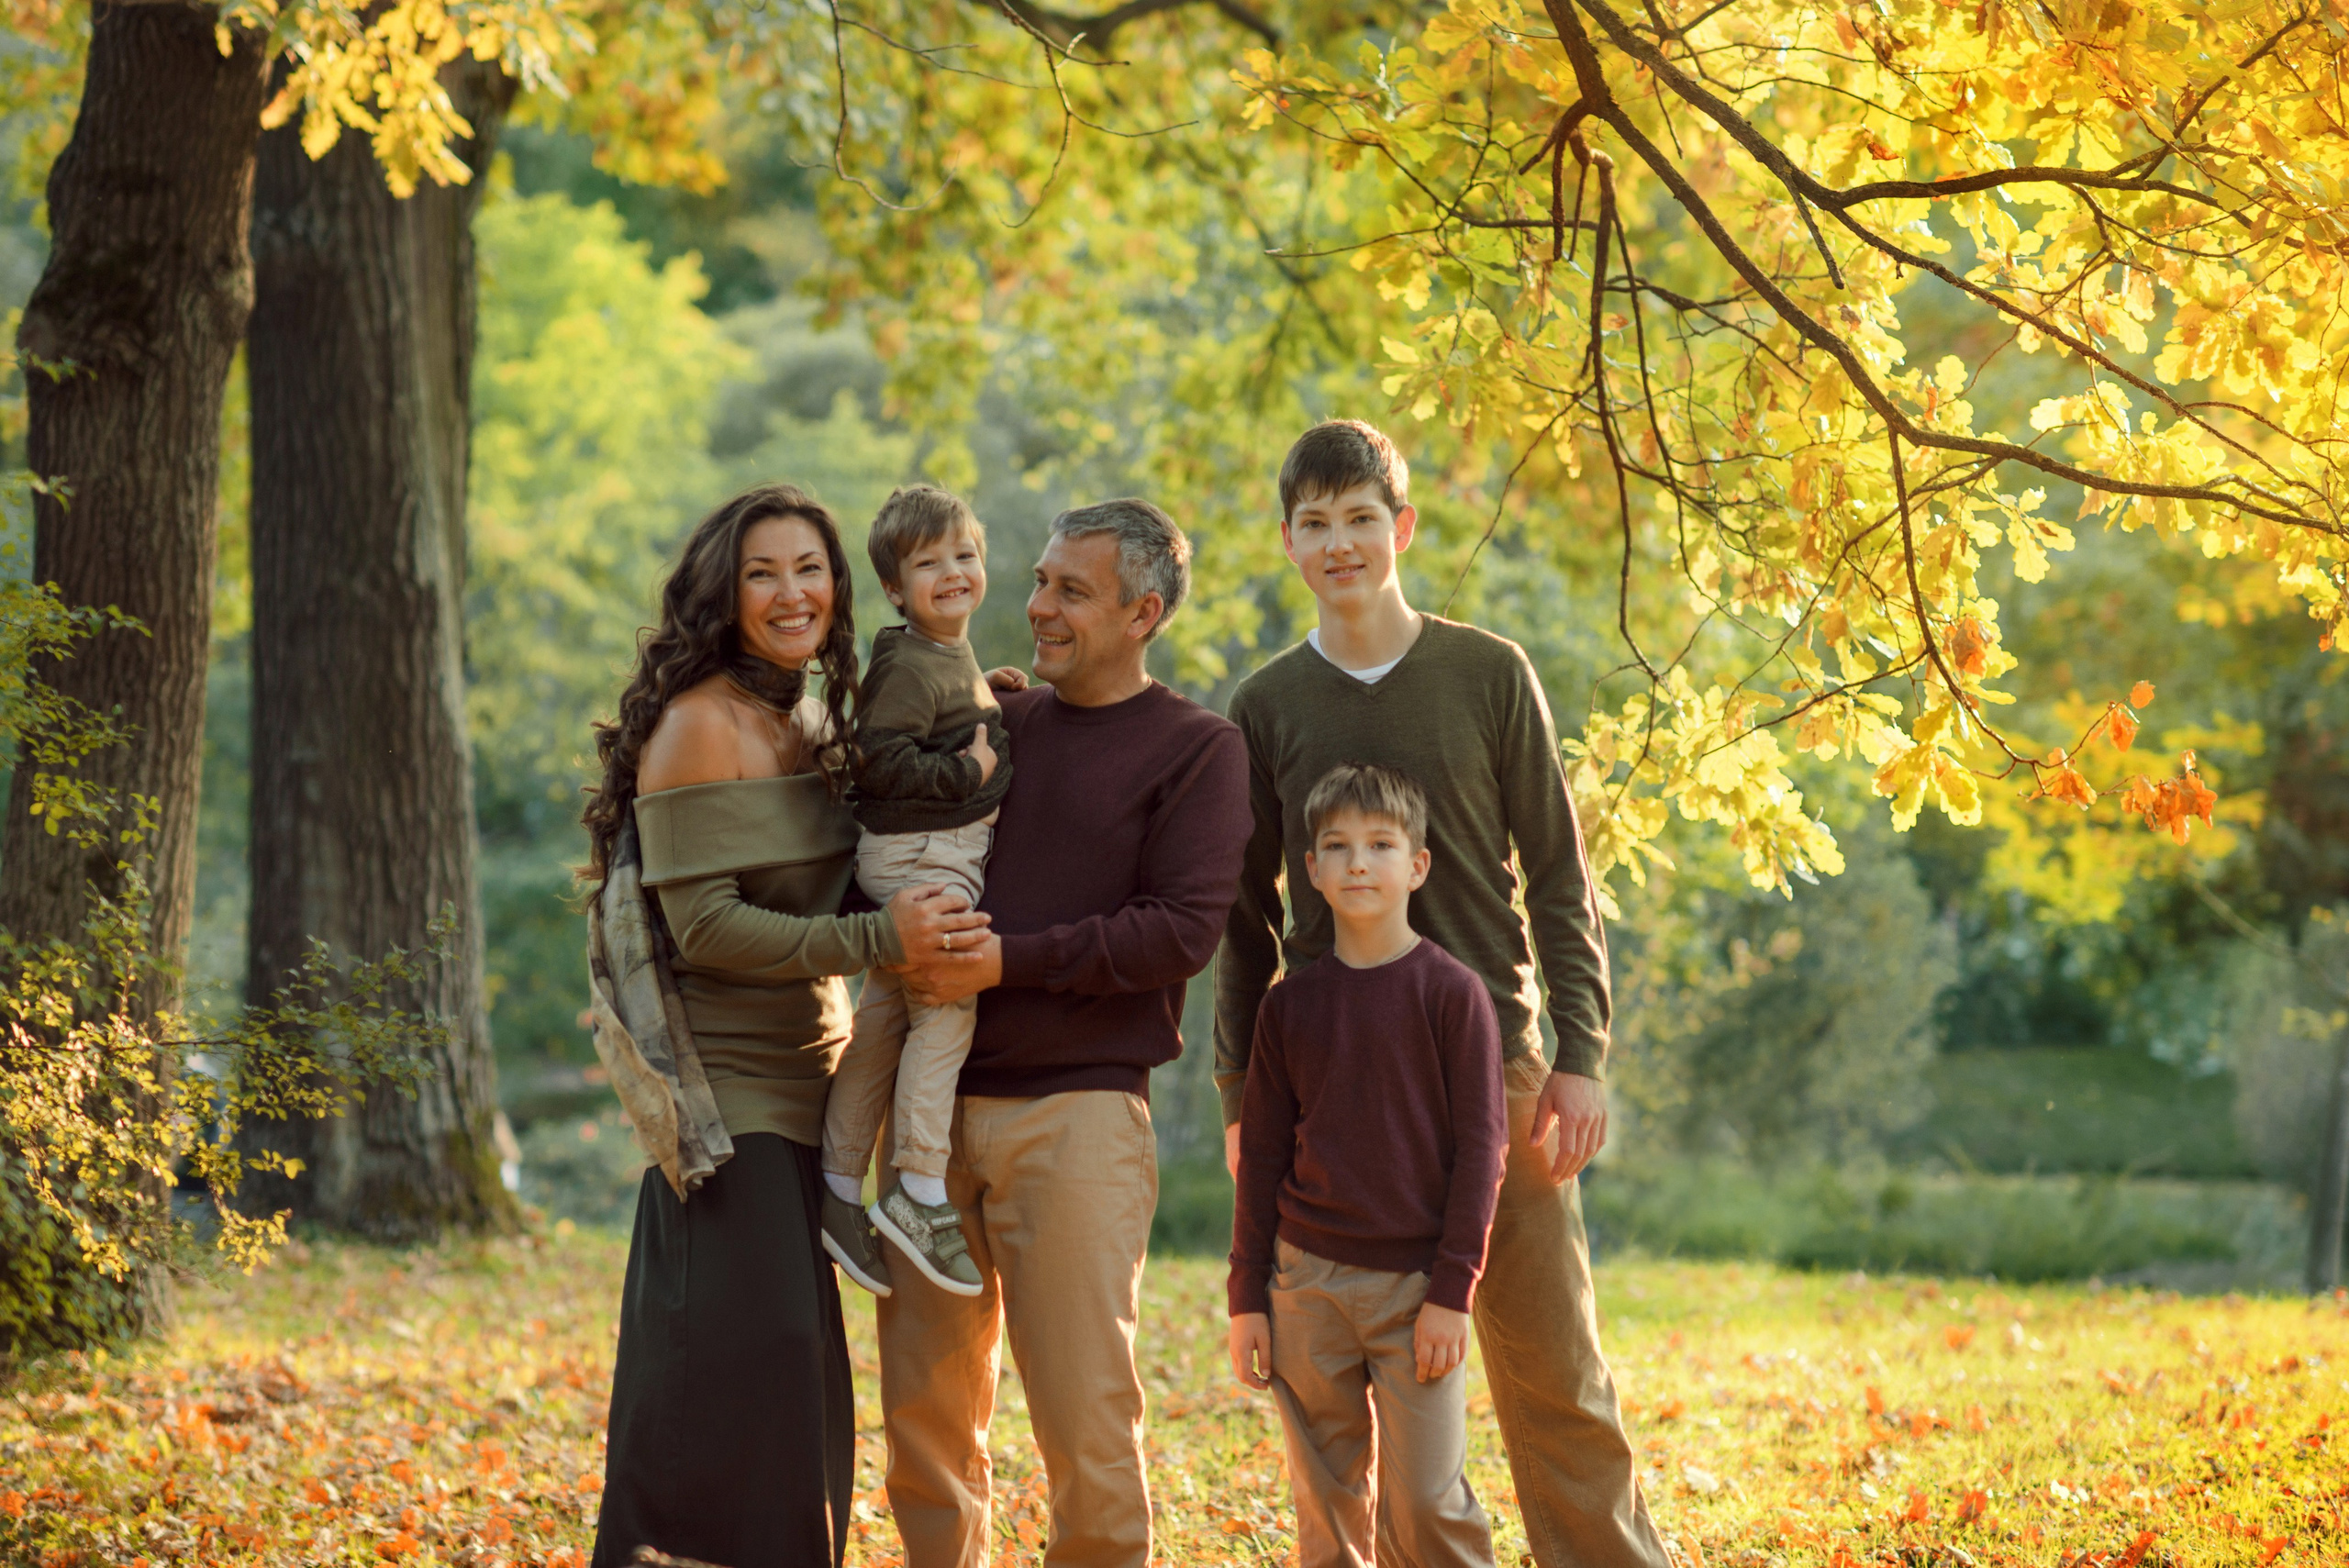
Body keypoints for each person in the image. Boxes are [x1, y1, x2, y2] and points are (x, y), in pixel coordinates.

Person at [1216, 421, 1675, 1568]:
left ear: (1402, 527)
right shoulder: (1266, 703)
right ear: (1287, 541)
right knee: (1340, 1388)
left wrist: (1581, 1051)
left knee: (1551, 1363)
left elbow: (1560, 871)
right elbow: (1244, 914)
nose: (1339, 544)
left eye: (1360, 518)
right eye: (1314, 524)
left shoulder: (1487, 672)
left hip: (1499, 1065)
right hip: (1332, 1084)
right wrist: (1237, 1087)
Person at [582, 484, 988, 1568]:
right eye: (762, 572)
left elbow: (853, 867)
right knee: (753, 1354)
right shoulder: (699, 723)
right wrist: (878, 944)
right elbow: (707, 927)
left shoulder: (810, 715)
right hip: (727, 1091)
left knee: (800, 1375)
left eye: (808, 568)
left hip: (821, 1084)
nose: (790, 591)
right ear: (724, 593)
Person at [875, 498, 1253, 1568]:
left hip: (1079, 1117)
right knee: (927, 1420)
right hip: (930, 1116)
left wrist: (1008, 959)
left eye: (1068, 591)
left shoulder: (1197, 751)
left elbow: (1178, 931)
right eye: (1038, 580)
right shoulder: (992, 723)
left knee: (1086, 1420)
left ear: (1143, 611)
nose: (1035, 606)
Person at [1228, 762, 1507, 1568]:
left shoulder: (1454, 995)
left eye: (1381, 844)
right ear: (1308, 870)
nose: (1358, 862)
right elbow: (1265, 1157)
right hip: (1307, 1285)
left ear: (1417, 865)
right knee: (1327, 1507)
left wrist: (1453, 1291)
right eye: (1337, 846)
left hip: (1417, 1290)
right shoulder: (1291, 1005)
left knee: (1427, 1502)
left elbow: (1482, 1153)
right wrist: (1250, 1291)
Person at [819, 484, 1009, 1298]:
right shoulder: (904, 659)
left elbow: (935, 708)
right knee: (949, 1004)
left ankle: (832, 1188)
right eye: (929, 565)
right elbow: (882, 758)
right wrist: (968, 769)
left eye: (965, 555)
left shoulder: (942, 651)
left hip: (915, 855)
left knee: (885, 1018)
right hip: (925, 858)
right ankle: (920, 1190)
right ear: (895, 590)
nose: (954, 573)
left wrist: (990, 691)